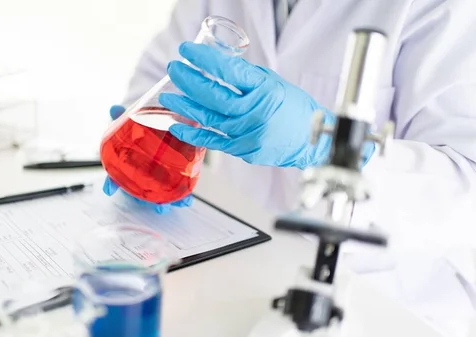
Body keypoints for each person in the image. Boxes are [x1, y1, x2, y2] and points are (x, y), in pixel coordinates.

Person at [102, 0, 476, 335]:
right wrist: (138, 134)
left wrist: (323, 146)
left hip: (387, 299)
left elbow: (465, 189)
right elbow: (165, 69)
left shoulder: (442, 8)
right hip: (235, 257)